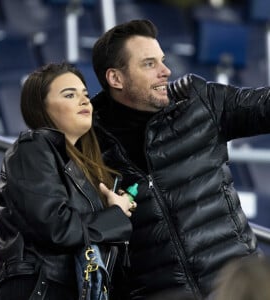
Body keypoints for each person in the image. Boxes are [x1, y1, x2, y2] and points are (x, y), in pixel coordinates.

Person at [91, 19, 268, 299]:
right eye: (149, 64)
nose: (166, 71)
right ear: (116, 79)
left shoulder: (200, 100)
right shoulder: (85, 143)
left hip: (234, 290)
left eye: (162, 61)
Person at [0, 62, 136, 300]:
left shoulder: (84, 166)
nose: (84, 101)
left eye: (85, 94)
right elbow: (56, 227)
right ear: (42, 108)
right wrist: (114, 215)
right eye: (70, 95)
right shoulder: (32, 147)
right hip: (41, 288)